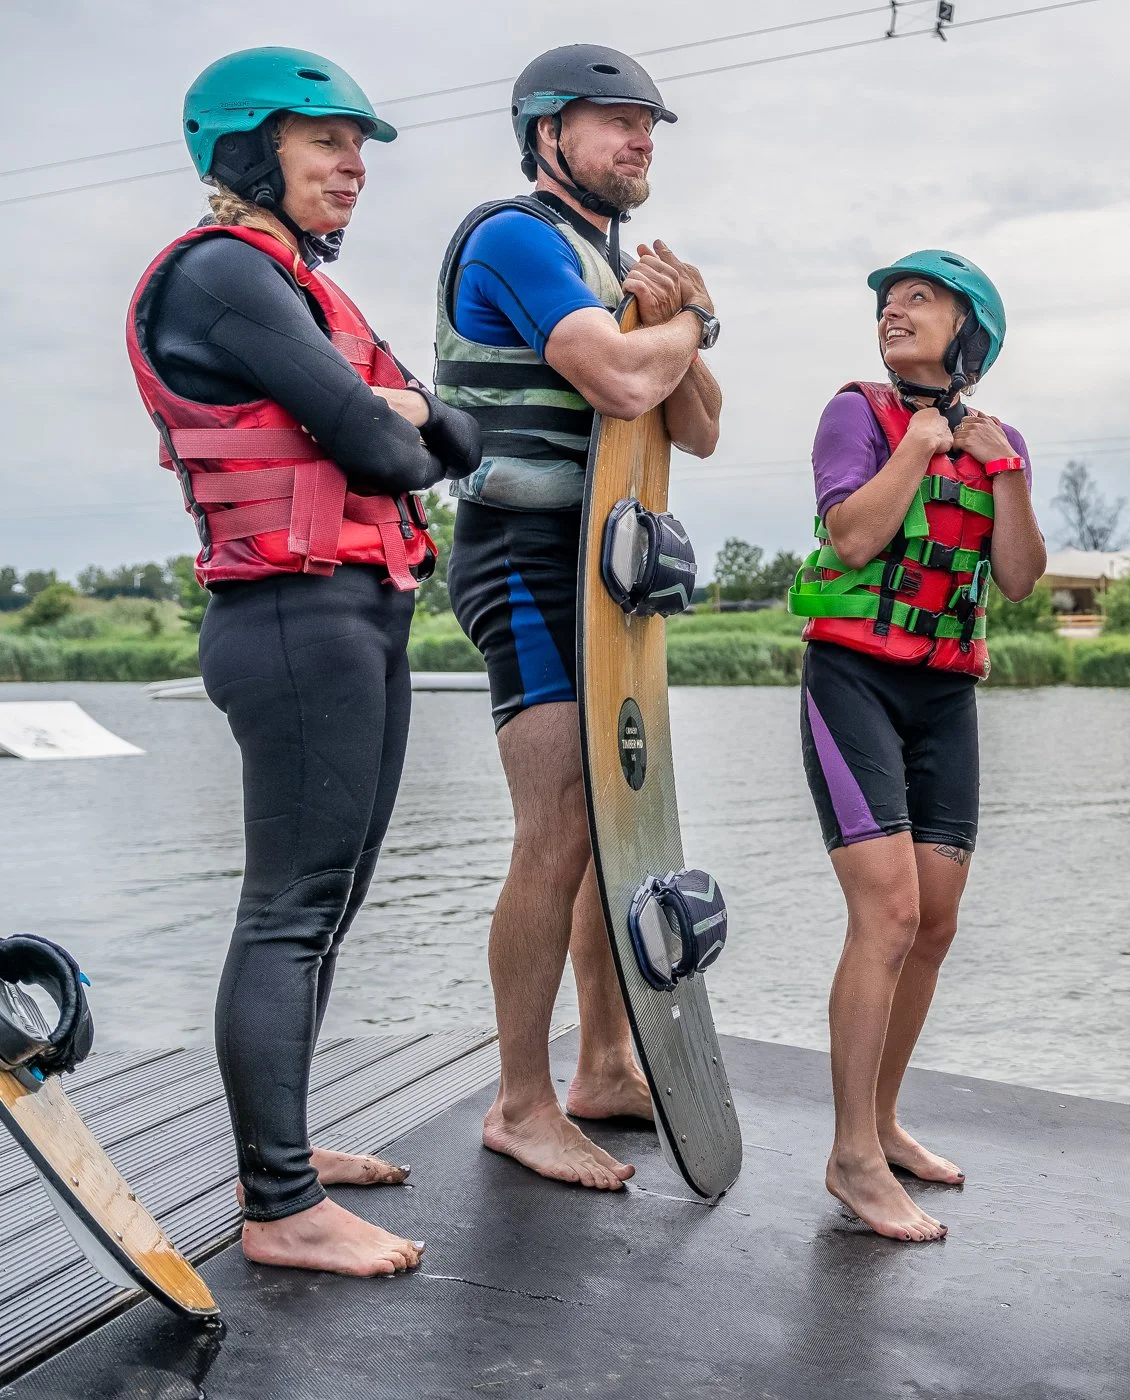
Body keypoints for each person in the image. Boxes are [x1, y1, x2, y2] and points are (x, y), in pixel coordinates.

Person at [128, 48, 481, 1275]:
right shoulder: (223, 271)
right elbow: (388, 452)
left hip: (358, 613)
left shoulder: (300, 287)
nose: (354, 164)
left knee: (326, 905)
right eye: (326, 139)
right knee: (289, 910)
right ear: (244, 150)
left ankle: (280, 1149)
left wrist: (403, 414)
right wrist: (397, 414)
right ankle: (278, 1204)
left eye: (364, 145)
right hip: (291, 620)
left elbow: (457, 435)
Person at [433, 44, 723, 1190]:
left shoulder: (614, 263)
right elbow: (617, 379)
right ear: (546, 134)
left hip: (610, 570)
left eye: (648, 125)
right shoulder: (510, 235)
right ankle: (520, 1098)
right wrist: (691, 315)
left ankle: (608, 1059)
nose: (640, 141)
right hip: (522, 553)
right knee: (556, 826)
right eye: (614, 122)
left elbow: (695, 424)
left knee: (619, 824)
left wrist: (682, 322)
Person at [786, 251, 1047, 1241]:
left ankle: (885, 1122)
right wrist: (923, 443)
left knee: (934, 919)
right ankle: (850, 1153)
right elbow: (852, 538)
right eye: (888, 303)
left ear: (968, 332)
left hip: (946, 694)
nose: (894, 311)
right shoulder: (855, 412)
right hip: (853, 679)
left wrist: (1002, 467)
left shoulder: (1001, 440)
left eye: (919, 300)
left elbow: (1018, 578)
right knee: (887, 913)